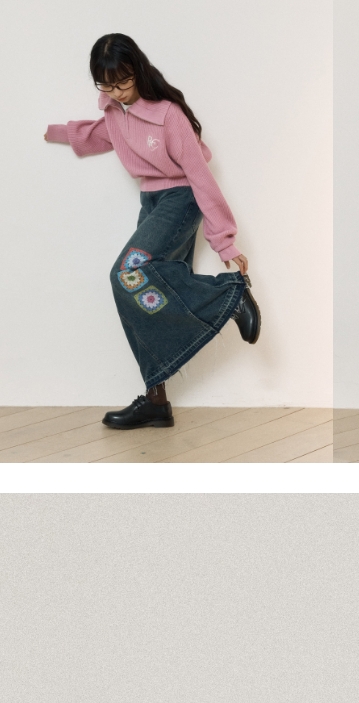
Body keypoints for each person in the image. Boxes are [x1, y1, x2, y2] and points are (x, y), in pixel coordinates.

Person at [45, 37, 259, 426]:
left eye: (122, 83)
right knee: (145, 292)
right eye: (106, 85)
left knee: (125, 273)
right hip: (152, 203)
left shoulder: (168, 115)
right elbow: (97, 134)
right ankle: (156, 401)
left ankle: (230, 295)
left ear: (138, 71)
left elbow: (200, 176)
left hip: (181, 199)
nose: (115, 92)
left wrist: (224, 241)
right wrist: (50, 131)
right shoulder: (114, 111)